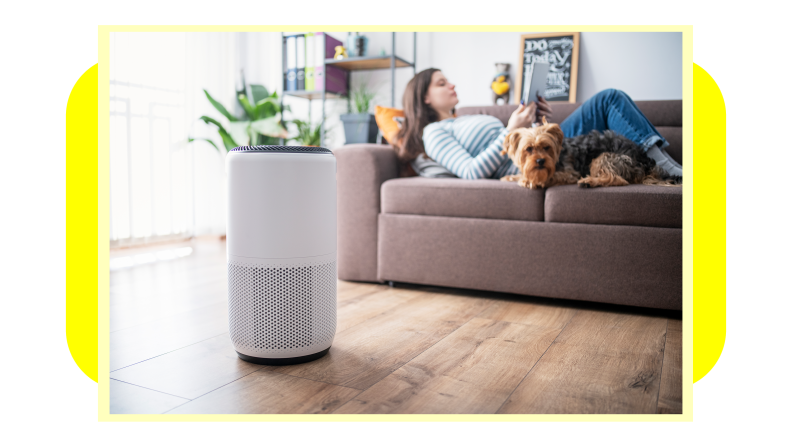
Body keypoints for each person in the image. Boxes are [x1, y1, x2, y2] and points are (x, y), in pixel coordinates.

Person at [393, 68, 683, 179]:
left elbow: (527, 141)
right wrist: (509, 130)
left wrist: (536, 120)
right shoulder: (434, 132)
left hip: (545, 145)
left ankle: (664, 166)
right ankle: (670, 172)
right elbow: (470, 172)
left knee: (610, 98)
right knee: (608, 98)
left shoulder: (464, 117)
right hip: (523, 163)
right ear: (425, 98)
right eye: (442, 83)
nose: (451, 84)